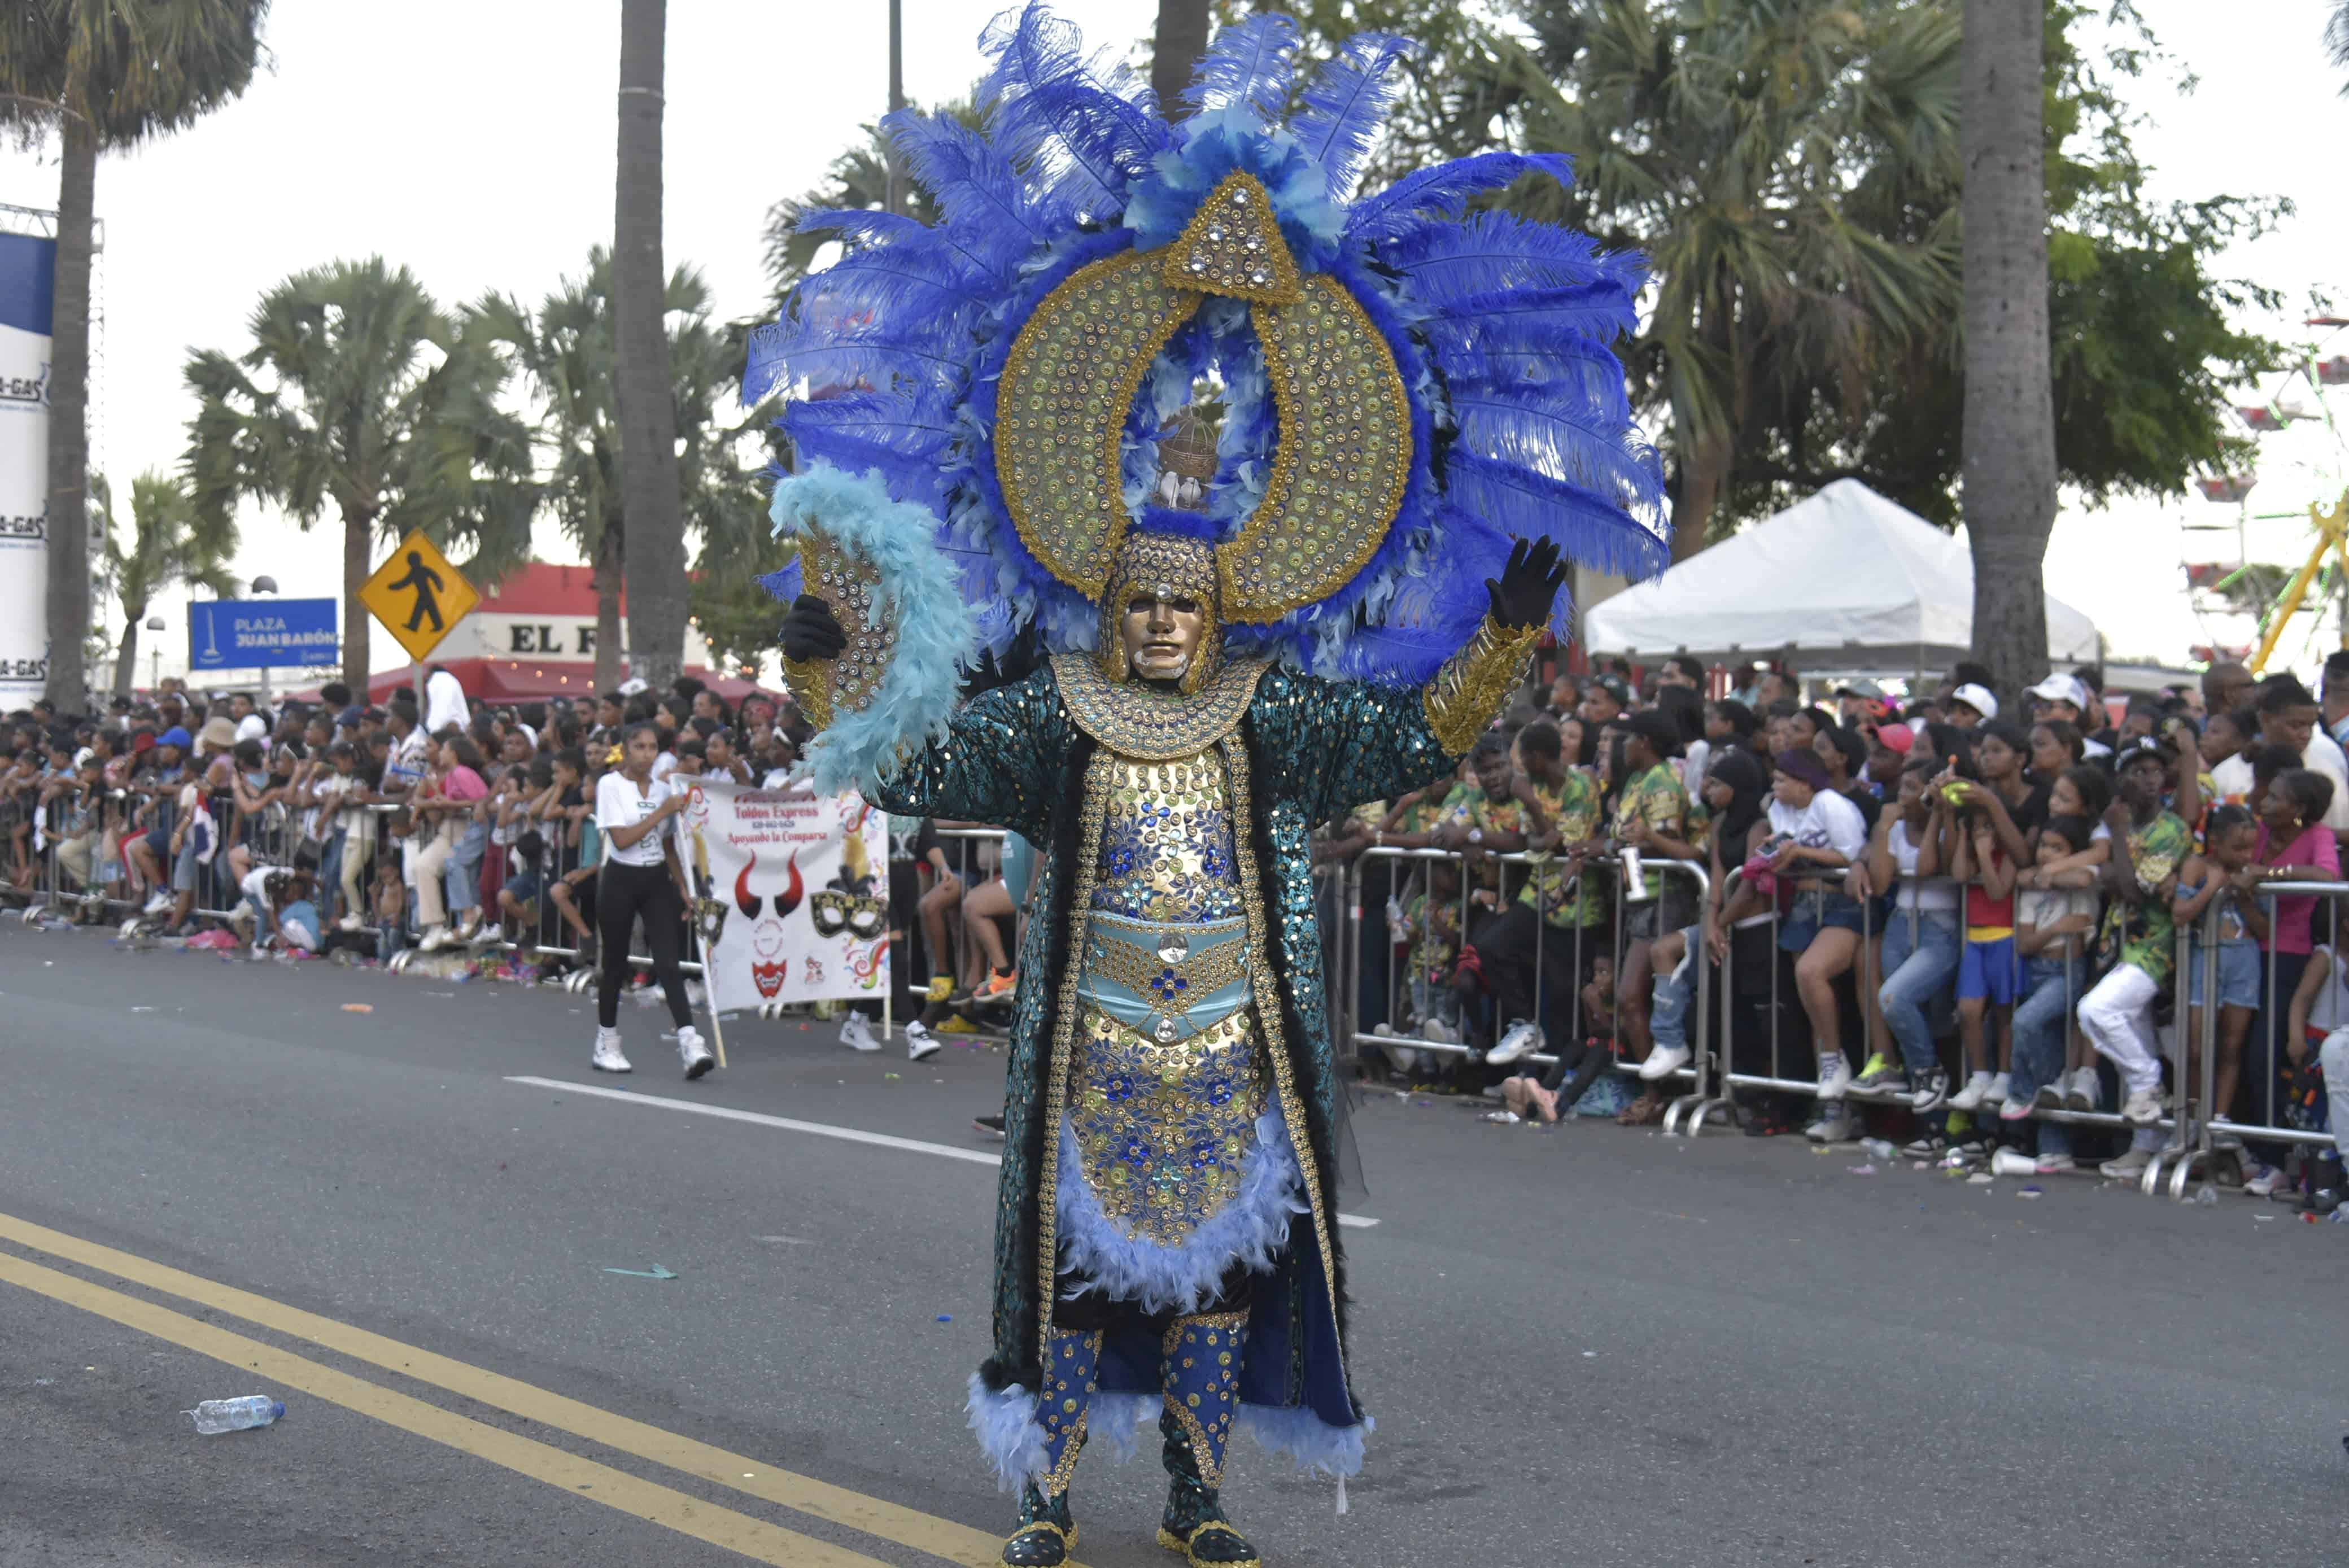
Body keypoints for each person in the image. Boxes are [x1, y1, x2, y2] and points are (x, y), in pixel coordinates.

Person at [2077, 739, 2194, 1174]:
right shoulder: (2119, 826)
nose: (2150, 778)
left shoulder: (2171, 829)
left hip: (2155, 947)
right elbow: (2104, 875)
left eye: (2156, 770)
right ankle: (2146, 1146)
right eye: (2139, 770)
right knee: (2134, 1036)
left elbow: (2129, 888)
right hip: (2119, 944)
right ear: (2121, 779)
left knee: (2096, 1012)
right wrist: (2114, 857)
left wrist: (2119, 842)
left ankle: (2150, 1084)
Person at [589, 722, 713, 1080]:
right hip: (620, 878)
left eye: (652, 747)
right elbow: (622, 839)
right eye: (639, 747)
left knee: (669, 962)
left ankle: (690, 1042)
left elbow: (669, 843)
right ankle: (607, 1041)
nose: (646, 754)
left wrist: (682, 885)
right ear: (625, 750)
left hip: (656, 878)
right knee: (614, 964)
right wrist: (662, 811)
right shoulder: (610, 785)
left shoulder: (665, 789)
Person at [1760, 747, 1870, 1141]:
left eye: (1782, 779)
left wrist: (1801, 852)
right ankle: (1833, 1105)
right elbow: (1784, 852)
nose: (1775, 786)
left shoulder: (1830, 804)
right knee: (1813, 1001)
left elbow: (1852, 857)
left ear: (1805, 782)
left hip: (1843, 904)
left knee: (1812, 971)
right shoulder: (1779, 809)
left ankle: (1834, 1064)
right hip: (1804, 905)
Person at [1857, 755, 1960, 1108]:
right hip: (1900, 923)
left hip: (1940, 928)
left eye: (1913, 788)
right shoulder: (1895, 829)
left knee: (1896, 998)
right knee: (1902, 1012)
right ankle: (1923, 1097)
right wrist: (1883, 831)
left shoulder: (1948, 825)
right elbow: (1882, 883)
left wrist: (1937, 816)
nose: (1903, 795)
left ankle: (1928, 1073)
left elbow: (1933, 866)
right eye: (1902, 786)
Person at [2171, 806, 2267, 1154]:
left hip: (2244, 962)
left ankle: (2221, 1117)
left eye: (2250, 849)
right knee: (2196, 1048)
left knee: (2230, 1047)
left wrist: (2245, 894)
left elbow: (2265, 929)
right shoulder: (2197, 867)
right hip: (2204, 960)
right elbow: (2180, 914)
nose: (2245, 856)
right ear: (2214, 842)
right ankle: (2196, 1115)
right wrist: (2212, 886)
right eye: (2238, 848)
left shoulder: (2254, 874)